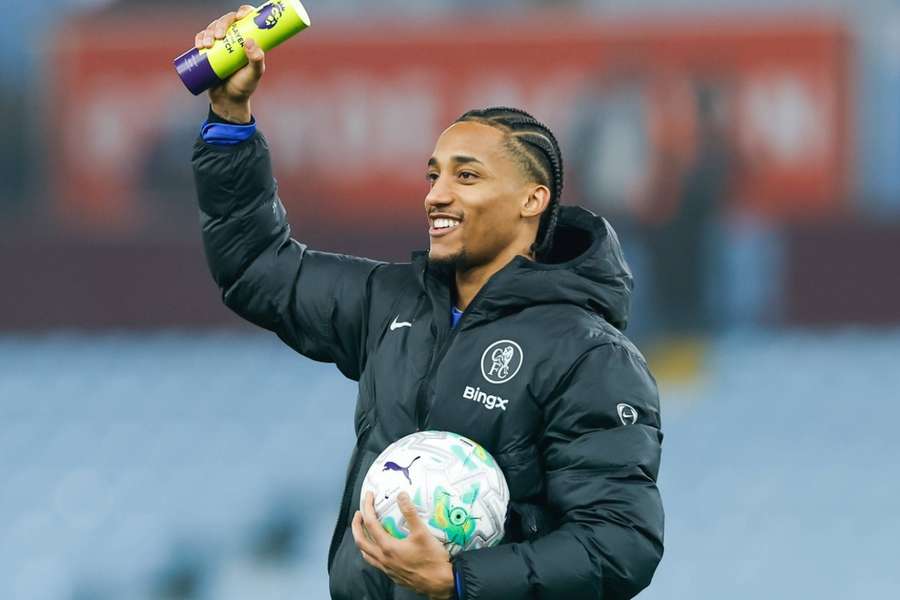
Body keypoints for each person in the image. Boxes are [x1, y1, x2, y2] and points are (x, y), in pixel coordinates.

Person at [191, 6, 664, 599]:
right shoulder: (388, 301)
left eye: (466, 177)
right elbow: (255, 267)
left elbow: (620, 544)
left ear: (531, 200)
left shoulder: (591, 357)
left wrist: (461, 583)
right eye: (433, 175)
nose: (436, 195)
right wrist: (229, 117)